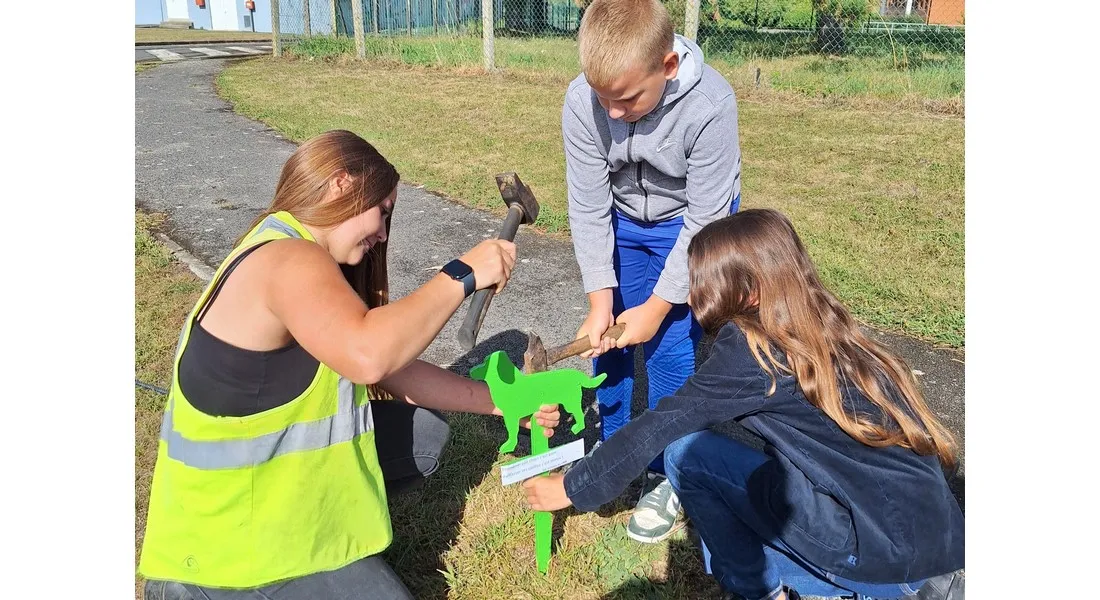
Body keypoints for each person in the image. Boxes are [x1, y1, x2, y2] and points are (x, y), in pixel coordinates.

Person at [138, 130, 562, 600]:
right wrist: (462, 274)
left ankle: (324, 548)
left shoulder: (295, 255)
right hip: (222, 559)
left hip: (259, 512)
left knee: (423, 435)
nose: (383, 233)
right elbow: (368, 355)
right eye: (382, 212)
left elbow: (387, 369)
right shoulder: (286, 260)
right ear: (341, 184)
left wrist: (504, 403)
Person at [522, 209, 965, 600]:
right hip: (937, 540)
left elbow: (663, 423)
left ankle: (773, 591)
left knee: (688, 457)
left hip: (885, 558)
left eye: (701, 284)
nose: (691, 296)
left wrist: (572, 487)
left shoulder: (753, 353)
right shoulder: (819, 325)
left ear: (748, 292)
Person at [562, 0, 744, 544]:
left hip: (689, 223)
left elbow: (705, 218)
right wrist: (602, 300)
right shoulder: (582, 101)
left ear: (667, 67)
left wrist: (658, 306)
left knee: (666, 344)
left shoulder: (711, 103)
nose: (612, 114)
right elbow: (588, 204)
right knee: (609, 340)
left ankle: (667, 470)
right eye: (602, 99)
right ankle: (613, 449)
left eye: (626, 99)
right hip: (623, 219)